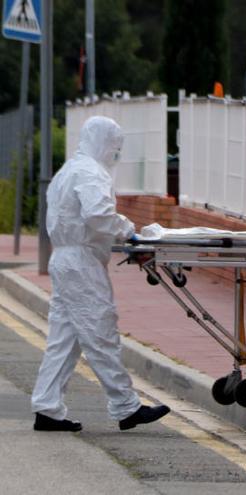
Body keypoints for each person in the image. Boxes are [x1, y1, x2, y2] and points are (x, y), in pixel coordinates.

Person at [31, 116, 170, 432]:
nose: (115, 155)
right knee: (100, 330)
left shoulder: (68, 170)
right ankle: (126, 407)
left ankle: (47, 408)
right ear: (104, 142)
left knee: (64, 339)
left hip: (64, 259)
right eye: (114, 148)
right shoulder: (92, 173)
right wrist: (128, 231)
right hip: (81, 263)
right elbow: (97, 215)